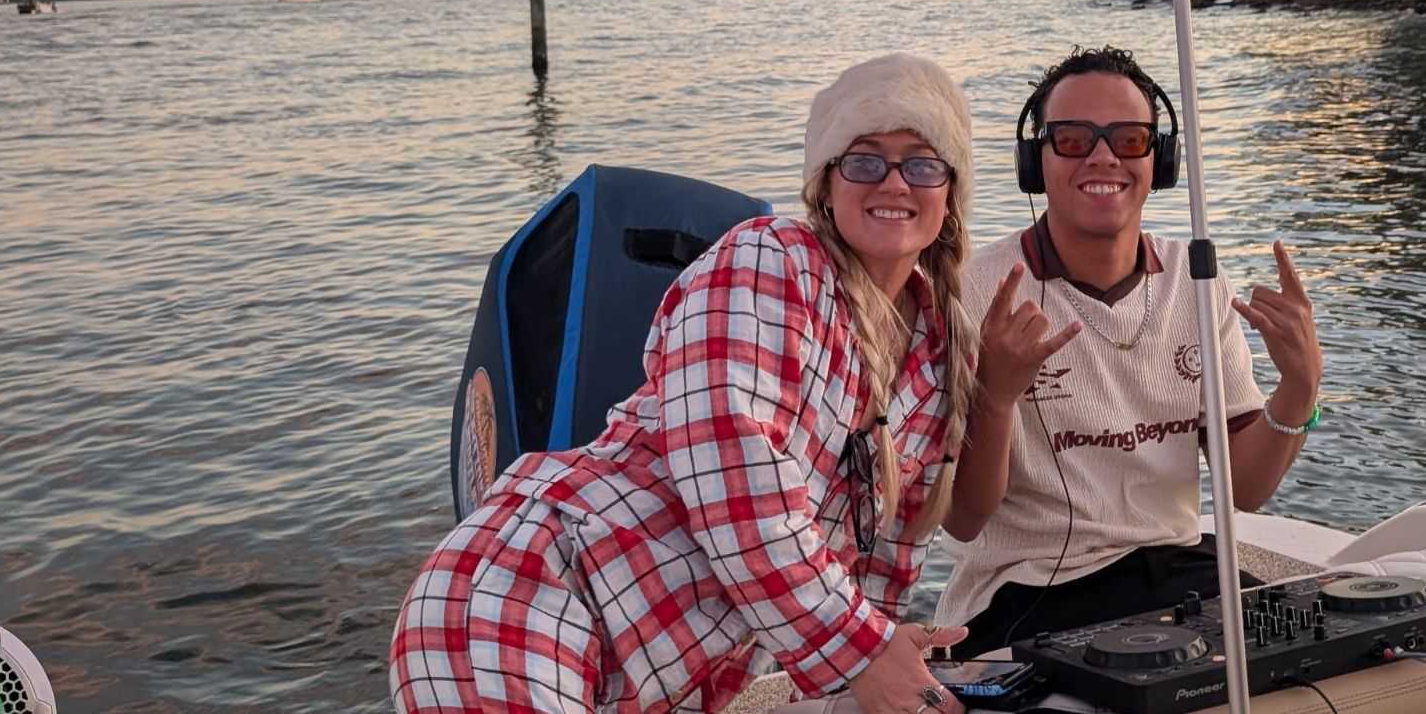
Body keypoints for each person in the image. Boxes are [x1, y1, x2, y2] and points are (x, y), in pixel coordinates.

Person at [390, 53, 1030, 714]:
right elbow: (735, 476)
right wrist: (861, 651)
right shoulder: (768, 262)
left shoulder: (936, 354)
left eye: (922, 163)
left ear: (950, 192)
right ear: (825, 184)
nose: (894, 183)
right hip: (529, 601)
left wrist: (882, 658)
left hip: (656, 683)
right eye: (864, 159)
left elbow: (885, 562)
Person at [935, 45, 1325, 657]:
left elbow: (1244, 490)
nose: (1102, 156)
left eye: (1129, 137)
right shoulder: (974, 291)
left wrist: (1300, 389)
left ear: (1159, 158)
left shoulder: (1195, 282)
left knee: (1313, 661)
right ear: (1034, 162)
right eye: (1071, 139)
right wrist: (996, 396)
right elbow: (961, 519)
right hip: (1025, 587)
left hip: (1176, 571)